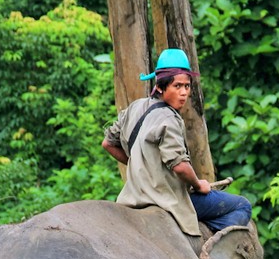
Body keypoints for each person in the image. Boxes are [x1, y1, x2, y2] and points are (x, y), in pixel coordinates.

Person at [102, 48, 252, 236]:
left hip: (133, 196)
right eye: (177, 86)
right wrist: (198, 185)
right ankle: (211, 247)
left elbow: (108, 143)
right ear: (160, 86)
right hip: (167, 199)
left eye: (187, 86)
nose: (183, 93)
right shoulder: (169, 118)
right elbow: (180, 166)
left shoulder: (135, 108)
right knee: (242, 206)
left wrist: (146, 169)